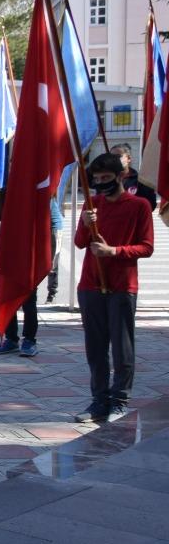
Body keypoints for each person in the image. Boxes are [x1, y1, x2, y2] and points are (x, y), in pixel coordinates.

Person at [73, 152, 155, 424]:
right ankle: (99, 400)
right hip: (90, 284)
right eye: (96, 179)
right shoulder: (92, 204)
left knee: (122, 348)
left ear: (121, 176)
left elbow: (146, 247)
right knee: (95, 348)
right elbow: (80, 243)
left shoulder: (139, 206)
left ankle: (119, 401)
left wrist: (114, 251)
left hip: (121, 285)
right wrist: (86, 225)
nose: (100, 184)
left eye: (106, 178)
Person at [0, 190, 41, 356]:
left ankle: (29, 340)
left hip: (29, 253)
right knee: (8, 296)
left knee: (28, 300)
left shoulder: (35, 190)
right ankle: (11, 339)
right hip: (9, 253)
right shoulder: (5, 192)